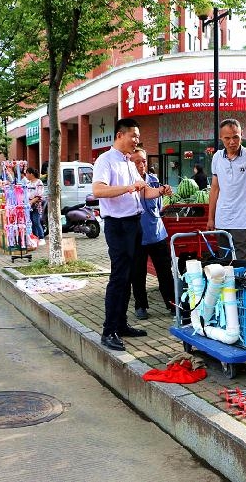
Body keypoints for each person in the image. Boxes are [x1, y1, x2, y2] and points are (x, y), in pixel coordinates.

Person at [93, 118, 166, 351]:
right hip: (118, 226)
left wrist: (161, 191)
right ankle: (109, 331)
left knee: (130, 277)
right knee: (118, 278)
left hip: (135, 225)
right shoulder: (105, 161)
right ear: (119, 135)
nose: (136, 140)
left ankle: (122, 324)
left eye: (138, 136)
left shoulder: (129, 162)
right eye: (133, 136)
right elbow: (98, 190)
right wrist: (127, 188)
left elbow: (144, 193)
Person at [207, 118, 246, 261]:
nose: (232, 142)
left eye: (235, 137)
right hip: (222, 220)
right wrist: (211, 218)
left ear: (241, 135)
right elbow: (214, 189)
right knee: (225, 264)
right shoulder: (217, 157)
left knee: (241, 264)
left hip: (243, 221)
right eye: (227, 138)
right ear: (221, 138)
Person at [129, 148, 175, 320]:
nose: (141, 165)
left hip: (157, 233)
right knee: (138, 273)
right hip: (137, 236)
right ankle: (141, 305)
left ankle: (171, 304)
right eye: (137, 162)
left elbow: (160, 206)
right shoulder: (128, 183)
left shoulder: (154, 180)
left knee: (165, 271)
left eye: (143, 161)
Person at [24, 167, 46, 246]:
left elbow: (39, 195)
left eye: (27, 173)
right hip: (28, 205)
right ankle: (34, 237)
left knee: (36, 221)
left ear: (31, 174)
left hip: (36, 205)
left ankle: (41, 238)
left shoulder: (39, 182)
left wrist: (30, 202)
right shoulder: (28, 183)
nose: (26, 175)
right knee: (31, 222)